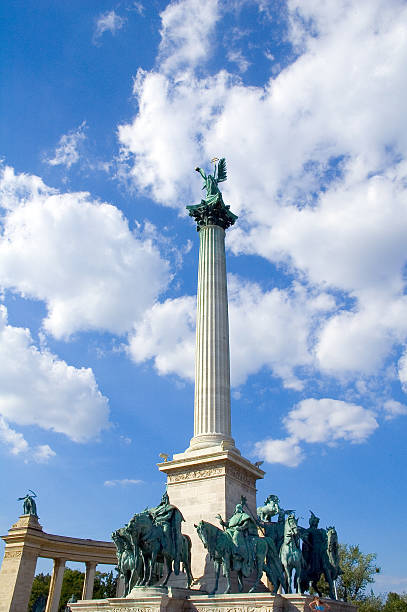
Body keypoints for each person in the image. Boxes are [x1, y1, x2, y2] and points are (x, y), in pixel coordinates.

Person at [217, 497, 258, 574]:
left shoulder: (244, 515)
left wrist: (241, 527)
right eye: (236, 508)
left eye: (238, 508)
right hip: (230, 530)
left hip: (239, 530)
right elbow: (227, 524)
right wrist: (221, 521)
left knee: (236, 537)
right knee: (224, 536)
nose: (237, 509)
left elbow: (246, 523)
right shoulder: (234, 517)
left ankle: (236, 552)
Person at [149, 491, 184, 574]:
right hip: (156, 525)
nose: (164, 499)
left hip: (165, 524)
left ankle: (167, 546)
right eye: (163, 498)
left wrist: (158, 519)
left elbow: (168, 516)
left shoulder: (170, 507)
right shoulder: (157, 509)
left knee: (165, 532)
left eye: (165, 498)